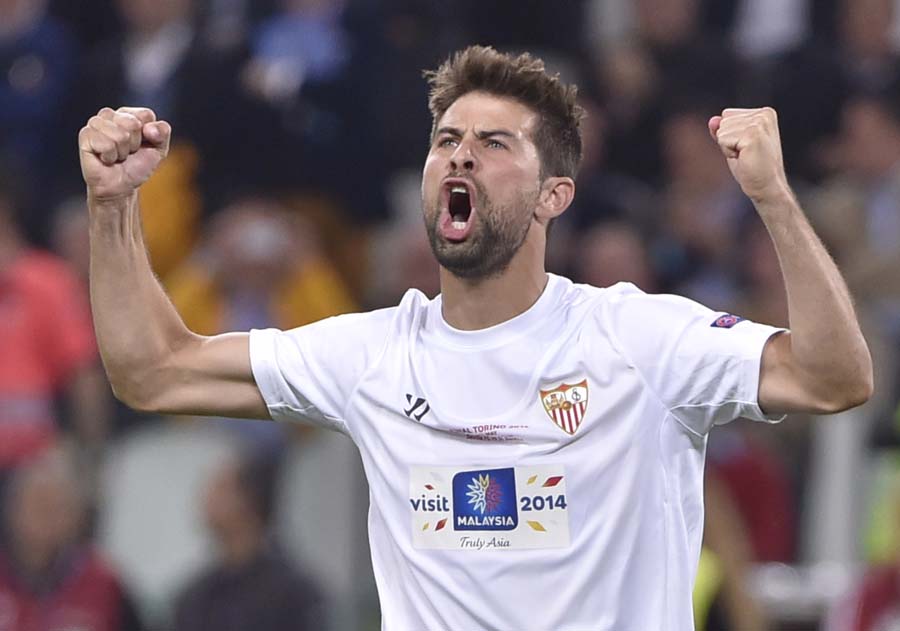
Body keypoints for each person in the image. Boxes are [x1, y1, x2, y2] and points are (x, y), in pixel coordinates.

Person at [78, 46, 872, 630]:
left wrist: (773, 196)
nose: (461, 153)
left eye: (495, 143)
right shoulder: (374, 356)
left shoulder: (636, 337)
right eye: (447, 139)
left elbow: (833, 377)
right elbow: (155, 371)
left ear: (554, 194)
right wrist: (113, 205)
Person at [173, 451, 324, 631]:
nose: (206, 497)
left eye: (220, 488)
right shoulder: (196, 598)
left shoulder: (292, 595)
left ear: (249, 500)